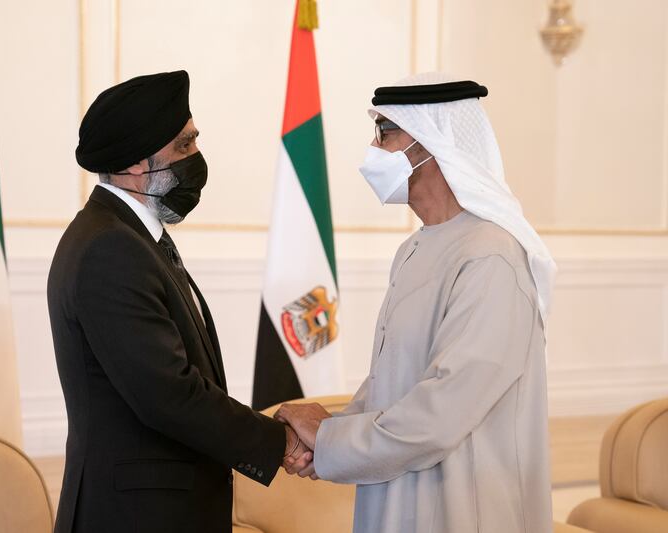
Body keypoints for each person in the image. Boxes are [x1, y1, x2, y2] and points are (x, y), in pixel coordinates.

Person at [277, 72, 558, 533]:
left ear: (430, 142)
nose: (373, 148)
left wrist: (328, 439)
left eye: (385, 132)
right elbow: (391, 386)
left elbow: (442, 412)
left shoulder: (492, 256)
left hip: (463, 511)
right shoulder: (414, 249)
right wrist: (324, 435)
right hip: (399, 495)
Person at [47, 70, 310, 533]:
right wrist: (280, 442)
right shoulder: (110, 248)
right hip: (134, 518)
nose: (197, 159)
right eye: (183, 147)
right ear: (133, 163)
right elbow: (168, 394)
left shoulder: (127, 237)